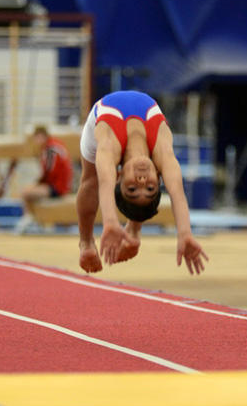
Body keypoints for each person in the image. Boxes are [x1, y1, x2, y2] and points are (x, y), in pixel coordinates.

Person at [76, 90, 209, 274]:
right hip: (144, 126)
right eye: (150, 188)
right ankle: (132, 230)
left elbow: (105, 182)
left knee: (92, 180)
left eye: (132, 188)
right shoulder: (163, 152)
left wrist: (110, 222)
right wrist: (185, 234)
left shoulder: (109, 145)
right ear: (159, 175)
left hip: (98, 121)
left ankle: (86, 242)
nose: (142, 180)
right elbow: (177, 193)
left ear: (119, 176)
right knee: (140, 183)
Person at [16, 125, 73, 232]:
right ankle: (33, 220)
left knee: (25, 193)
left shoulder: (51, 149)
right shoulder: (54, 145)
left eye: (37, 138)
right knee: (30, 190)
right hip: (58, 184)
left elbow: (50, 171)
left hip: (58, 187)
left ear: (43, 136)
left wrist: (39, 182)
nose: (36, 141)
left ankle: (29, 219)